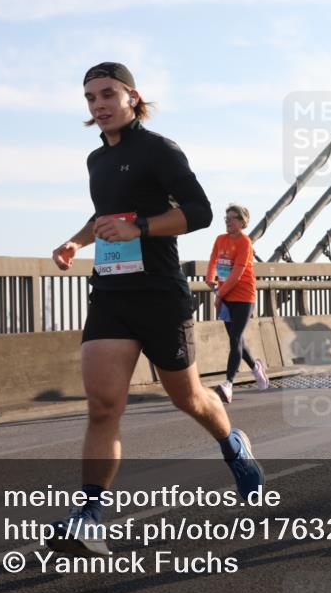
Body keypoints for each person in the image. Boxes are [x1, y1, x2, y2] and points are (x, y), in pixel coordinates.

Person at [48, 62, 263, 557]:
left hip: (160, 294)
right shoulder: (96, 162)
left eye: (107, 94)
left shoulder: (159, 150)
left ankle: (233, 445)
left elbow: (200, 211)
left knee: (186, 397)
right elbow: (104, 215)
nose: (98, 105)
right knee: (103, 407)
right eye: (89, 98)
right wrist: (76, 242)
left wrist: (140, 228)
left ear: (131, 96)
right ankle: (90, 516)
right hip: (111, 293)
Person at [205, 204, 270, 403]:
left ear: (242, 222)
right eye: (226, 217)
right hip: (226, 297)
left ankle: (228, 384)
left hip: (243, 297)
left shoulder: (245, 243)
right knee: (237, 339)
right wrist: (210, 278)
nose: (228, 221)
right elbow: (213, 260)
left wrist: (218, 295)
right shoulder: (220, 239)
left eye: (232, 218)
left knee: (235, 338)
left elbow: (236, 275)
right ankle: (256, 368)